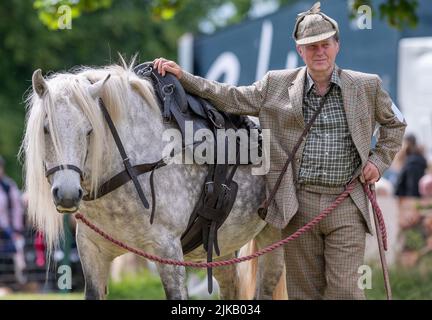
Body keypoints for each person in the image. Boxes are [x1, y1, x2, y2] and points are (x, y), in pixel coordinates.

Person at [153, 1, 406, 299]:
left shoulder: (367, 86)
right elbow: (230, 97)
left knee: (344, 290)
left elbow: (395, 125)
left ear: (337, 45)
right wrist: (185, 77)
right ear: (300, 51)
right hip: (298, 204)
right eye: (311, 47)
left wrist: (379, 160)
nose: (319, 52)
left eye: (325, 44)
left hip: (346, 202)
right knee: (303, 293)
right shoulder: (276, 84)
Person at [0, 155, 25, 285]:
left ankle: (19, 279)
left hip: (8, 230)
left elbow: (17, 210)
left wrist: (16, 230)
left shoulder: (9, 186)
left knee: (18, 247)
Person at [395, 134, 427, 198]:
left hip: (409, 202)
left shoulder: (412, 163)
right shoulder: (415, 160)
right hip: (410, 201)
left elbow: (412, 188)